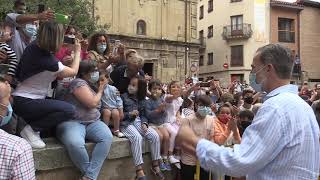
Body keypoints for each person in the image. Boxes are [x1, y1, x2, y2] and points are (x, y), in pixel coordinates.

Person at [176, 44, 320, 179]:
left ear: (268, 69)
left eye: (253, 68)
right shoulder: (303, 106)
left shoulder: (275, 108)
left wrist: (194, 141)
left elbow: (240, 162)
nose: (252, 73)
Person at [12, 21, 81, 148]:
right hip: (26, 101)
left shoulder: (34, 47)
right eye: (61, 36)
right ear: (55, 37)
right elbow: (73, 71)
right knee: (69, 110)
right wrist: (77, 52)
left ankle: (32, 130)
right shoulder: (48, 61)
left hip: (25, 98)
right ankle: (31, 130)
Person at [56, 61, 113, 180]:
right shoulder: (78, 83)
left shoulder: (91, 84)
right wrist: (101, 90)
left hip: (93, 122)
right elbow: (92, 103)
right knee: (75, 143)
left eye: (96, 70)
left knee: (107, 137)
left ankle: (89, 176)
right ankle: (90, 176)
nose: (96, 73)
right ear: (83, 73)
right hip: (73, 122)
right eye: (93, 71)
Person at [121, 76, 164, 180]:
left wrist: (144, 123)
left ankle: (155, 165)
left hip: (138, 121)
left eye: (134, 85)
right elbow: (119, 115)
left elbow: (144, 114)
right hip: (126, 123)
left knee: (154, 135)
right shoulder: (123, 97)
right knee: (137, 138)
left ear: (140, 88)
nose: (131, 87)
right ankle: (139, 170)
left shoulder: (142, 100)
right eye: (130, 84)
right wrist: (129, 114)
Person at [180, 95, 214, 180]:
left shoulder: (211, 119)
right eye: (202, 105)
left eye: (207, 106)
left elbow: (211, 138)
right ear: (196, 105)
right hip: (188, 160)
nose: (205, 108)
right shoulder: (187, 120)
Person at [145, 79, 171, 171]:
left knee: (167, 136)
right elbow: (148, 115)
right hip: (152, 124)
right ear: (150, 90)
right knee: (159, 136)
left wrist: (163, 111)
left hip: (161, 123)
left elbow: (165, 115)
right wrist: (157, 111)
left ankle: (165, 156)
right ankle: (158, 156)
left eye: (159, 89)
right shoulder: (148, 102)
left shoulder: (161, 100)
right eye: (154, 89)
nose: (156, 91)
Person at [164, 81, 183, 169]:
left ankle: (178, 153)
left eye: (177, 87)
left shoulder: (179, 100)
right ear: (169, 89)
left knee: (182, 131)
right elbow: (170, 99)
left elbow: (177, 110)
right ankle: (170, 154)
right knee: (174, 133)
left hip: (174, 120)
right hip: (165, 121)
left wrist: (178, 117)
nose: (175, 88)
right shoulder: (167, 97)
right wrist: (190, 90)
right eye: (173, 87)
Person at [99, 72, 124, 138]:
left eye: (102, 80)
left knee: (116, 113)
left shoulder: (113, 88)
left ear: (107, 79)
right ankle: (105, 131)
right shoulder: (98, 89)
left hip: (113, 107)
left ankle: (116, 130)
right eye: (99, 81)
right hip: (104, 108)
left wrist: (120, 110)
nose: (101, 82)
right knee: (107, 112)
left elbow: (118, 99)